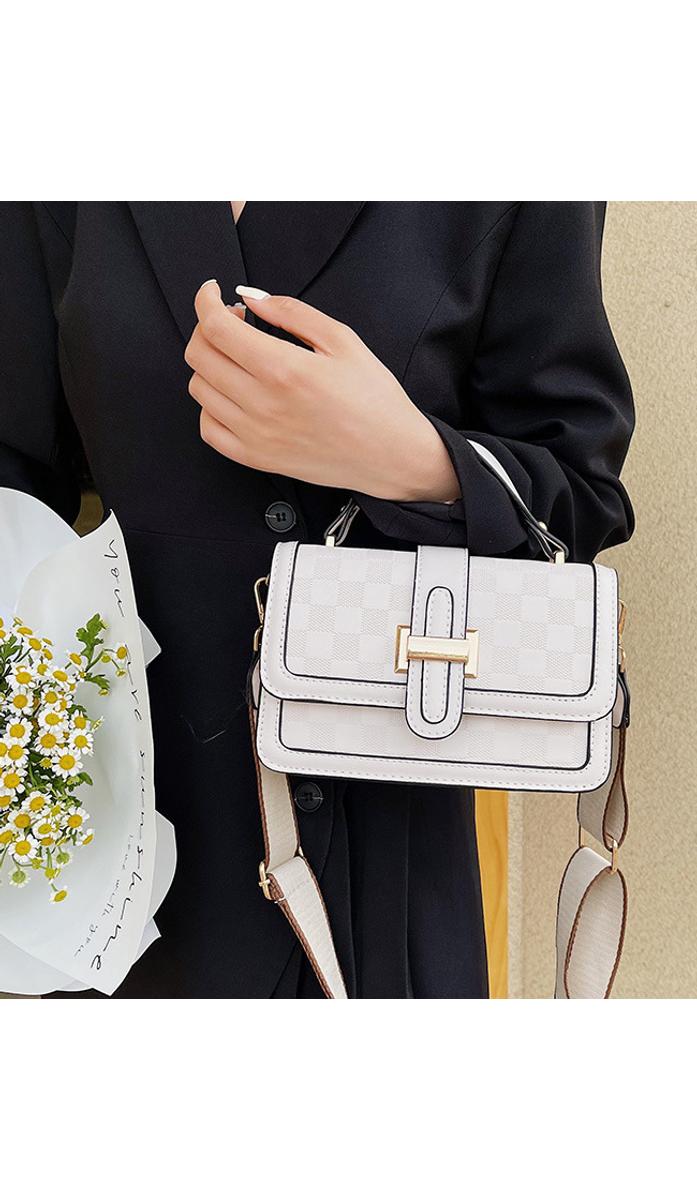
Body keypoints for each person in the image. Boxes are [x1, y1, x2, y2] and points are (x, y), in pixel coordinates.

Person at [0, 202, 634, 998]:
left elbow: (577, 501)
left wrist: (412, 459)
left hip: (377, 837)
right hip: (102, 849)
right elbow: (13, 473)